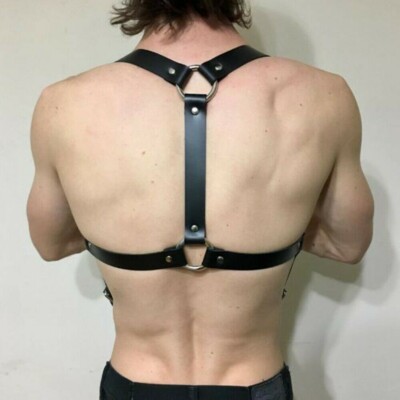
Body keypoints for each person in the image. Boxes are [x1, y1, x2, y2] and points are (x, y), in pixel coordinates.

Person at [26, 1, 374, 399]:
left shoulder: (62, 104)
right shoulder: (325, 96)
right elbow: (347, 246)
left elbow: (52, 244)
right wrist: (270, 220)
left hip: (134, 383)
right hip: (253, 383)